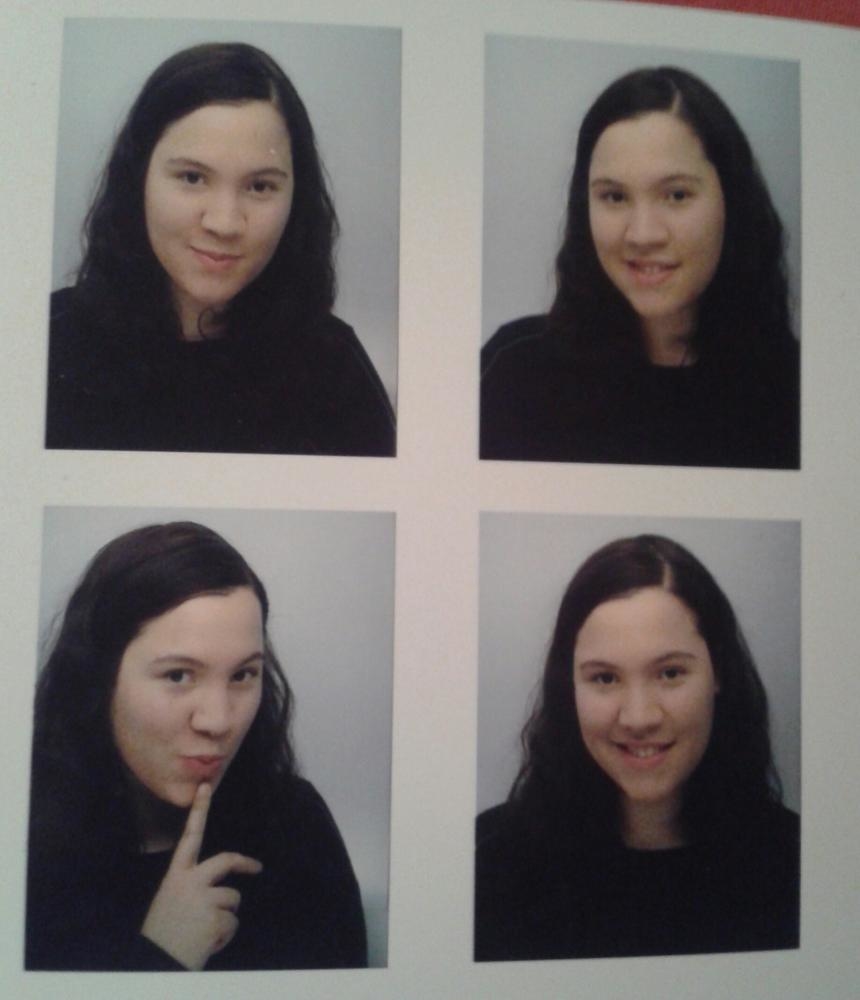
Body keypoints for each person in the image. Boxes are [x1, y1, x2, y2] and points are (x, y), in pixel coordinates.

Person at [26, 521, 367, 971]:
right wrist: (162, 953)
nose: (219, 720)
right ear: (99, 677)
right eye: (178, 675)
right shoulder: (25, 848)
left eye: (243, 675)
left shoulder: (296, 824)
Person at [46, 42, 395, 456]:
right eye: (193, 178)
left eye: (260, 186)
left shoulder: (335, 366)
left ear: (296, 198)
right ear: (137, 178)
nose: (225, 223)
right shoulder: (46, 342)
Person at [475, 534, 800, 961]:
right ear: (569, 687)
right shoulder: (490, 863)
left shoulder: (796, 863)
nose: (639, 718)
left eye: (670, 673)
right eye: (605, 678)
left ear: (718, 672)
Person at [480, 67, 799, 469]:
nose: (643, 234)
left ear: (732, 201)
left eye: (676, 195)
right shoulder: (513, 373)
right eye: (614, 197)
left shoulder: (798, 390)